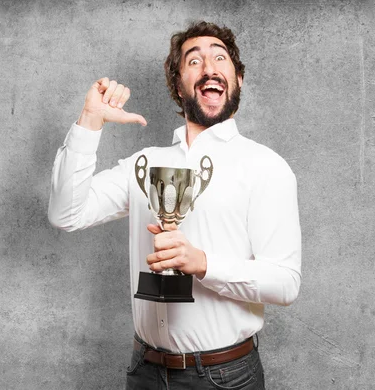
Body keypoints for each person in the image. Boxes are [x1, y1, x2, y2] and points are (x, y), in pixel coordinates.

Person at [48, 21, 301, 389]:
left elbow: (286, 284)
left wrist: (202, 264)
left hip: (224, 377)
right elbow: (65, 213)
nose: (210, 67)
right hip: (145, 371)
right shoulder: (146, 163)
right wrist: (90, 122)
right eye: (194, 61)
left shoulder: (266, 166)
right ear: (177, 83)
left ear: (238, 78)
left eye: (220, 58)